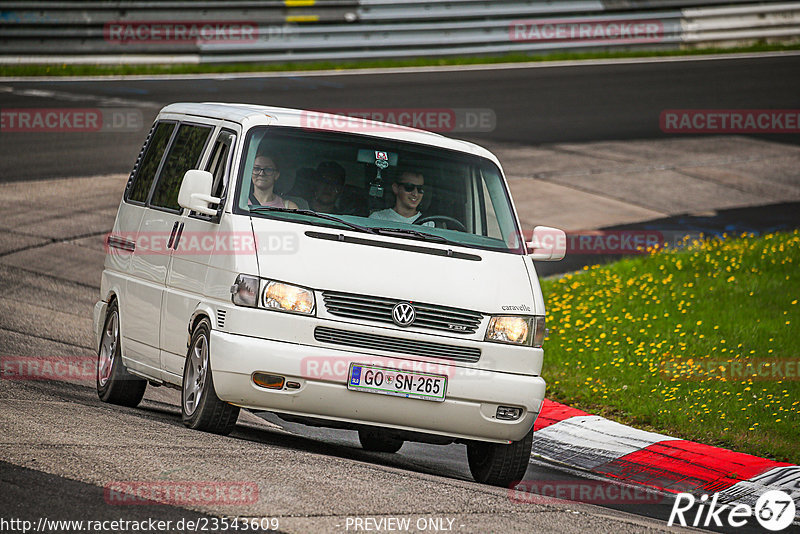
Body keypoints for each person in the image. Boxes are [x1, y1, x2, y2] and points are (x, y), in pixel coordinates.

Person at [369, 170, 433, 226]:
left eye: (420, 189)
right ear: (395, 188)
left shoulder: (428, 223)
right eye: (409, 187)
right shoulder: (378, 219)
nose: (415, 194)